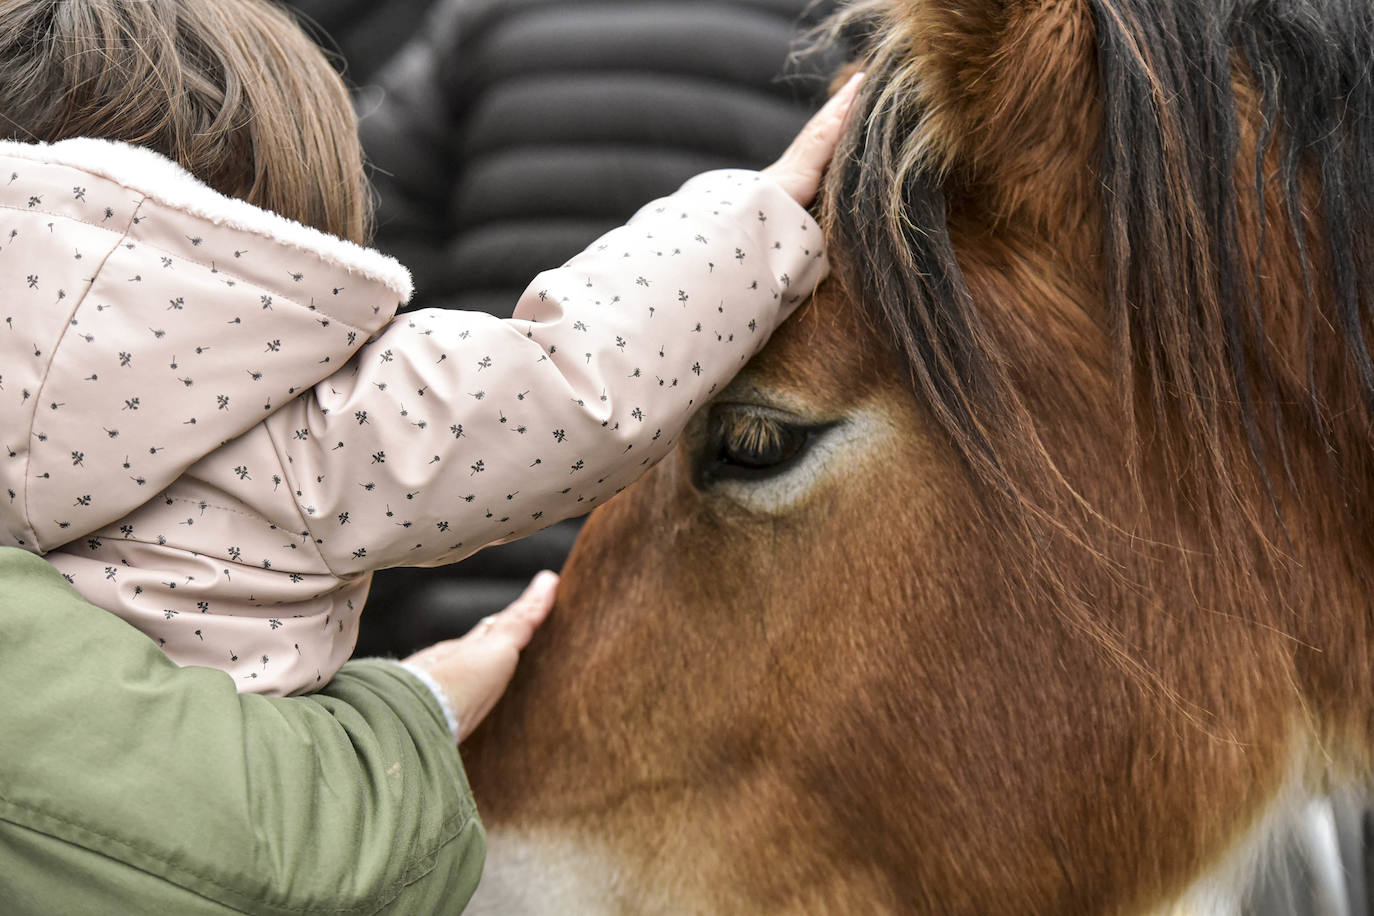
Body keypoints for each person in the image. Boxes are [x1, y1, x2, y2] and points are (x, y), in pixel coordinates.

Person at [0, 0, 858, 712]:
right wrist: (759, 225)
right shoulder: (305, 442)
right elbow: (573, 385)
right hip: (617, 618)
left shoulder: (486, 22)